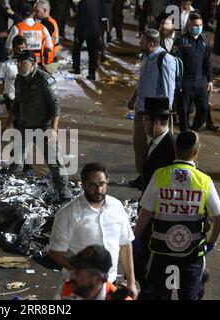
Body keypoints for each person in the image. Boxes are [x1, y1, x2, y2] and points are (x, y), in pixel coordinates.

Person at [134, 130, 220, 300]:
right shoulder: (204, 181)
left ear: (175, 150)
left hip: (161, 252)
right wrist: (210, 244)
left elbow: (145, 212)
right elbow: (219, 218)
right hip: (191, 254)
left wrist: (136, 239)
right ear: (196, 153)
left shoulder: (160, 175)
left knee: (160, 296)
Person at [49, 163, 137, 298]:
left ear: (107, 182)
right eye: (93, 185)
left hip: (109, 284)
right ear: (83, 184)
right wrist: (84, 272)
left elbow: (125, 244)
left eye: (102, 184)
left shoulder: (116, 206)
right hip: (79, 287)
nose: (99, 189)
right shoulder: (68, 214)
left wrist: (131, 282)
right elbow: (55, 251)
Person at [3, 50, 72, 202]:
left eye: (23, 62)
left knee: (55, 164)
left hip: (44, 127)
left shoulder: (45, 80)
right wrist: (8, 122)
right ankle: (10, 193)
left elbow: (55, 105)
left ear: (33, 64)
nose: (19, 65)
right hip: (25, 126)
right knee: (16, 161)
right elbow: (17, 102)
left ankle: (66, 197)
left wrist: (54, 130)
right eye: (18, 62)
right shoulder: (19, 79)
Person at [134, 97, 176, 299]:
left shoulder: (171, 147)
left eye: (145, 120)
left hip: (158, 217)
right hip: (148, 209)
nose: (142, 123)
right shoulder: (154, 143)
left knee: (152, 265)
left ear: (157, 122)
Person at [127, 29, 176, 189]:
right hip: (142, 109)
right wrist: (134, 97)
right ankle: (143, 176)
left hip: (156, 113)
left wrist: (165, 114)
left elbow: (170, 87)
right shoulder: (146, 56)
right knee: (139, 142)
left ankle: (157, 180)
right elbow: (142, 80)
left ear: (151, 43)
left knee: (159, 147)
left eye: (142, 41)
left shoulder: (165, 59)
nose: (139, 43)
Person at [172, 12, 214, 132]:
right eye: (196, 25)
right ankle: (184, 134)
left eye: (200, 25)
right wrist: (178, 83)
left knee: (204, 109)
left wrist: (210, 79)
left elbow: (207, 62)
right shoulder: (181, 41)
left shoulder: (204, 40)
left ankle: (193, 131)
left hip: (200, 81)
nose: (198, 27)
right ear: (189, 25)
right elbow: (176, 64)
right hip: (185, 82)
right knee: (183, 112)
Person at [57, 245, 133, 300]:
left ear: (98, 279)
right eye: (75, 269)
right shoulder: (67, 288)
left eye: (79, 273)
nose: (72, 276)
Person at [0, 35, 26, 113]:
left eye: (23, 48)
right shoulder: (4, 63)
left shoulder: (30, 62)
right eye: (18, 48)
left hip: (26, 100)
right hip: (11, 100)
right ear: (13, 47)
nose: (21, 50)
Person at [71, 0, 103, 81]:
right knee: (93, 53)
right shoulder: (97, 2)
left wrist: (76, 34)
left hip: (83, 30)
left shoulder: (83, 3)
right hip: (95, 30)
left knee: (76, 49)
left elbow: (80, 20)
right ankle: (92, 73)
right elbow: (99, 17)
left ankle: (76, 70)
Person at [0, 0, 20, 76]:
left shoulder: (3, 8)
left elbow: (18, 19)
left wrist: (8, 33)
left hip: (0, 42)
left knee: (1, 65)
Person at [34, 0, 59, 73]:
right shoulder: (50, 21)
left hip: (46, 59)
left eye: (37, 11)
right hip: (48, 57)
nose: (35, 13)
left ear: (44, 10)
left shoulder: (48, 24)